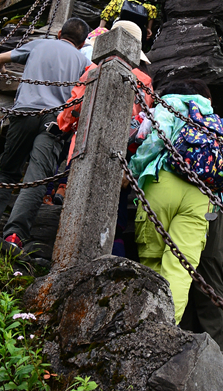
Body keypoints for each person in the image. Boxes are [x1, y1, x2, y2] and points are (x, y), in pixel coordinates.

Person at [0, 17, 89, 250]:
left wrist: (2, 71)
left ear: (59, 33)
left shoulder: (40, 44)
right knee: (35, 180)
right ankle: (15, 236)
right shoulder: (83, 61)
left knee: (7, 171)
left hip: (24, 113)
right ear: (82, 42)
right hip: (54, 121)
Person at [57, 19, 154, 252]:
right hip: (121, 155)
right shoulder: (145, 79)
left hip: (84, 145)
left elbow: (69, 113)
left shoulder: (92, 70)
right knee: (116, 213)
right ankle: (111, 257)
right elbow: (144, 123)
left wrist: (63, 124)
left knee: (76, 206)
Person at [129, 78, 216, 323]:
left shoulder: (169, 104)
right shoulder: (209, 115)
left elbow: (157, 139)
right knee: (180, 268)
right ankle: (166, 328)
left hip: (163, 180)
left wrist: (133, 170)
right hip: (201, 193)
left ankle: (145, 327)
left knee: (152, 259)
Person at [180, 114, 223, 352]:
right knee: (184, 272)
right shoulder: (182, 122)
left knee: (208, 269)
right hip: (186, 208)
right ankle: (184, 344)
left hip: (216, 209)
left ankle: (219, 352)